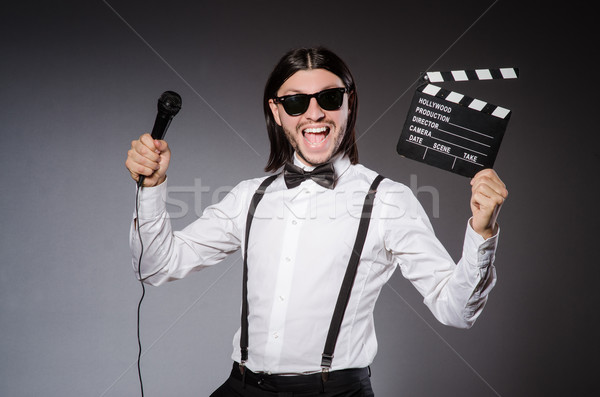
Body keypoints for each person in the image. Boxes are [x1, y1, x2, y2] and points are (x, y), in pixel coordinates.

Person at [125, 47, 508, 396]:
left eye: (328, 98)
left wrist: (482, 231)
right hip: (243, 387)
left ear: (348, 103)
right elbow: (155, 266)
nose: (314, 113)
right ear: (277, 112)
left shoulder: (389, 200)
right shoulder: (249, 196)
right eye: (295, 102)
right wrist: (152, 188)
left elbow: (456, 310)